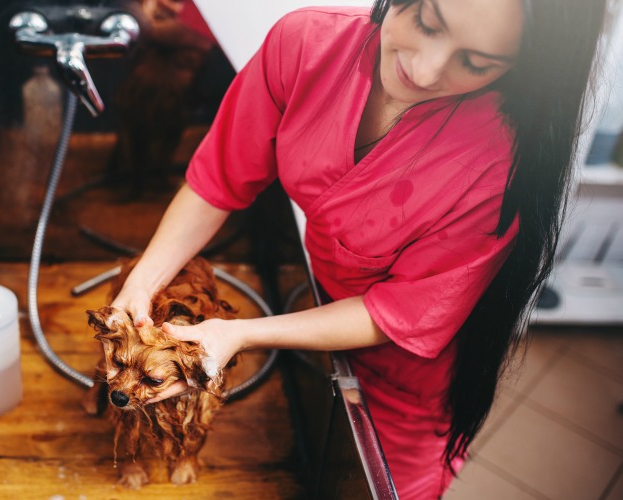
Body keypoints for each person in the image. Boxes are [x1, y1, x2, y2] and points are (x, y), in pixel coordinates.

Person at [109, 0, 608, 497]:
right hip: (322, 306)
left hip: (405, 373)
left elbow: (397, 314)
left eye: (475, 63)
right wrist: (141, 284)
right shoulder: (306, 45)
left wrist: (238, 333)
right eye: (425, 22)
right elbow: (219, 177)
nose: (425, 68)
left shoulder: (501, 163)